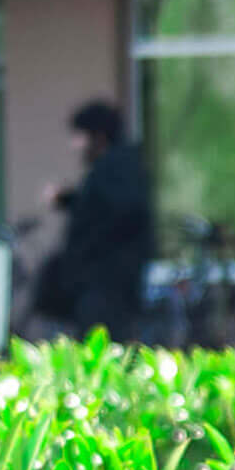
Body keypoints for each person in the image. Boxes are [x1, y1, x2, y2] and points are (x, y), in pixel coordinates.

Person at [37, 100, 154, 341]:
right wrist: (68, 200)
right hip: (101, 279)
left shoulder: (116, 168)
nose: (76, 145)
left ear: (98, 136)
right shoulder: (116, 167)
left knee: (102, 342)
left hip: (107, 281)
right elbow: (98, 206)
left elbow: (113, 213)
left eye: (81, 137)